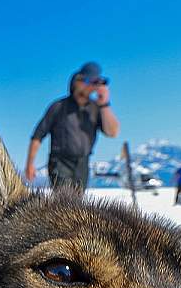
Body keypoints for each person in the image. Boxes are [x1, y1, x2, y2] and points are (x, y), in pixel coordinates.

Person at [25, 62, 120, 191]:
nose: (90, 86)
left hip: (83, 163)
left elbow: (112, 132)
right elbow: (37, 136)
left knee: (78, 202)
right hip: (60, 162)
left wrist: (104, 104)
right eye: (87, 81)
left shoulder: (95, 109)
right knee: (64, 201)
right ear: (77, 81)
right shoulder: (58, 107)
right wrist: (30, 163)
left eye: (95, 82)